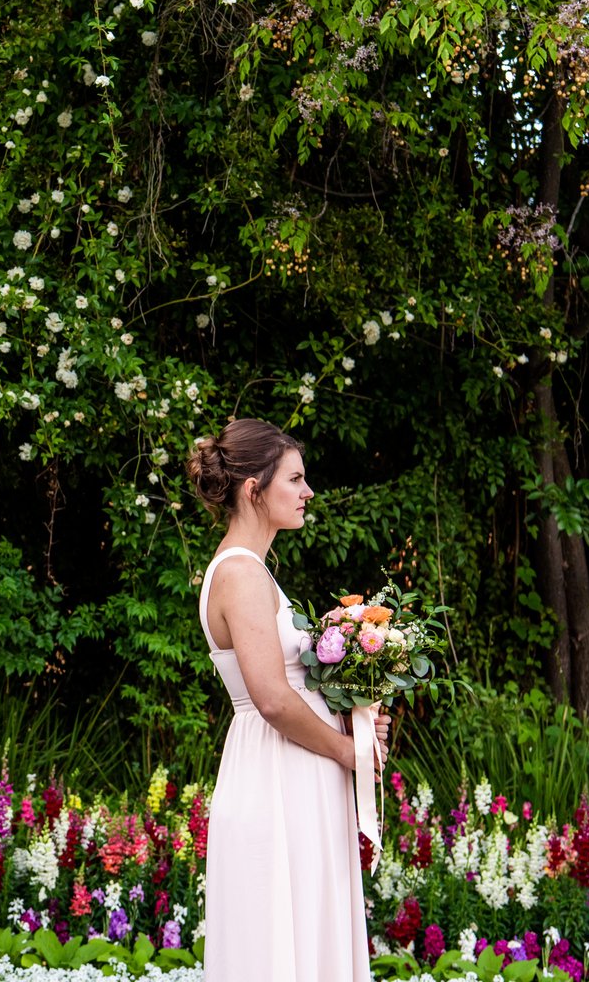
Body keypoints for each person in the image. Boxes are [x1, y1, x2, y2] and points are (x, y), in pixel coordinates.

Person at [188, 418, 389, 982]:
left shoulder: (255, 572)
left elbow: (295, 688)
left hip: (297, 771)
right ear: (254, 489)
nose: (308, 492)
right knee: (277, 937)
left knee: (307, 931)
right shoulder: (240, 574)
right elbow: (273, 698)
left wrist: (356, 720)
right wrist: (346, 752)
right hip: (277, 774)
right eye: (295, 480)